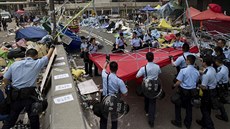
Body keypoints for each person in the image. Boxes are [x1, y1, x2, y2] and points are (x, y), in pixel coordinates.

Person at [2, 46, 55, 129]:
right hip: (29, 96)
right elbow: (48, 56)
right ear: (36, 56)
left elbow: (5, 78)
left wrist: (9, 86)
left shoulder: (14, 64)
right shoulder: (37, 63)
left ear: (26, 55)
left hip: (15, 96)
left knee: (11, 118)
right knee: (33, 118)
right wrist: (52, 47)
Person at [171, 55, 200, 129]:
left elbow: (179, 82)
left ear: (188, 61)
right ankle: (188, 123)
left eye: (186, 60)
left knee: (178, 104)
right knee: (189, 107)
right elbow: (196, 81)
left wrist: (174, 85)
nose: (186, 61)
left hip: (183, 91)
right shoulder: (197, 72)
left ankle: (178, 121)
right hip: (192, 91)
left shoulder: (183, 70)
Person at [136, 52, 161, 128]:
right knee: (153, 103)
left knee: (146, 98)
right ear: (153, 58)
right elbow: (160, 73)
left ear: (146, 58)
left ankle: (147, 111)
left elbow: (137, 76)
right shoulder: (157, 67)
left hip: (146, 85)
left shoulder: (144, 68)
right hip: (155, 86)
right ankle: (151, 120)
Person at [100, 61, 128, 129]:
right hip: (114, 101)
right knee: (114, 118)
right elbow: (125, 94)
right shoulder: (119, 81)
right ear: (117, 69)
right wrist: (126, 88)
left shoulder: (104, 75)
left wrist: (106, 62)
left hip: (105, 99)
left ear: (109, 68)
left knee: (104, 118)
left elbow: (103, 68)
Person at [196, 56, 217, 129]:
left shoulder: (206, 74)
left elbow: (203, 86)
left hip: (207, 93)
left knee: (204, 109)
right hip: (213, 90)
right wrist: (200, 72)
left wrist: (198, 85)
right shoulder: (212, 69)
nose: (201, 62)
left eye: (202, 61)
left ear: (205, 63)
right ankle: (204, 122)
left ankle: (209, 126)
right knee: (208, 108)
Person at [214, 58, 229, 122]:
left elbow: (216, 80)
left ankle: (224, 116)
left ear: (217, 62)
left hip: (221, 86)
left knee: (219, 100)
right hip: (225, 84)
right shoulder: (225, 67)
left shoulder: (221, 71)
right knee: (221, 98)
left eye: (216, 62)